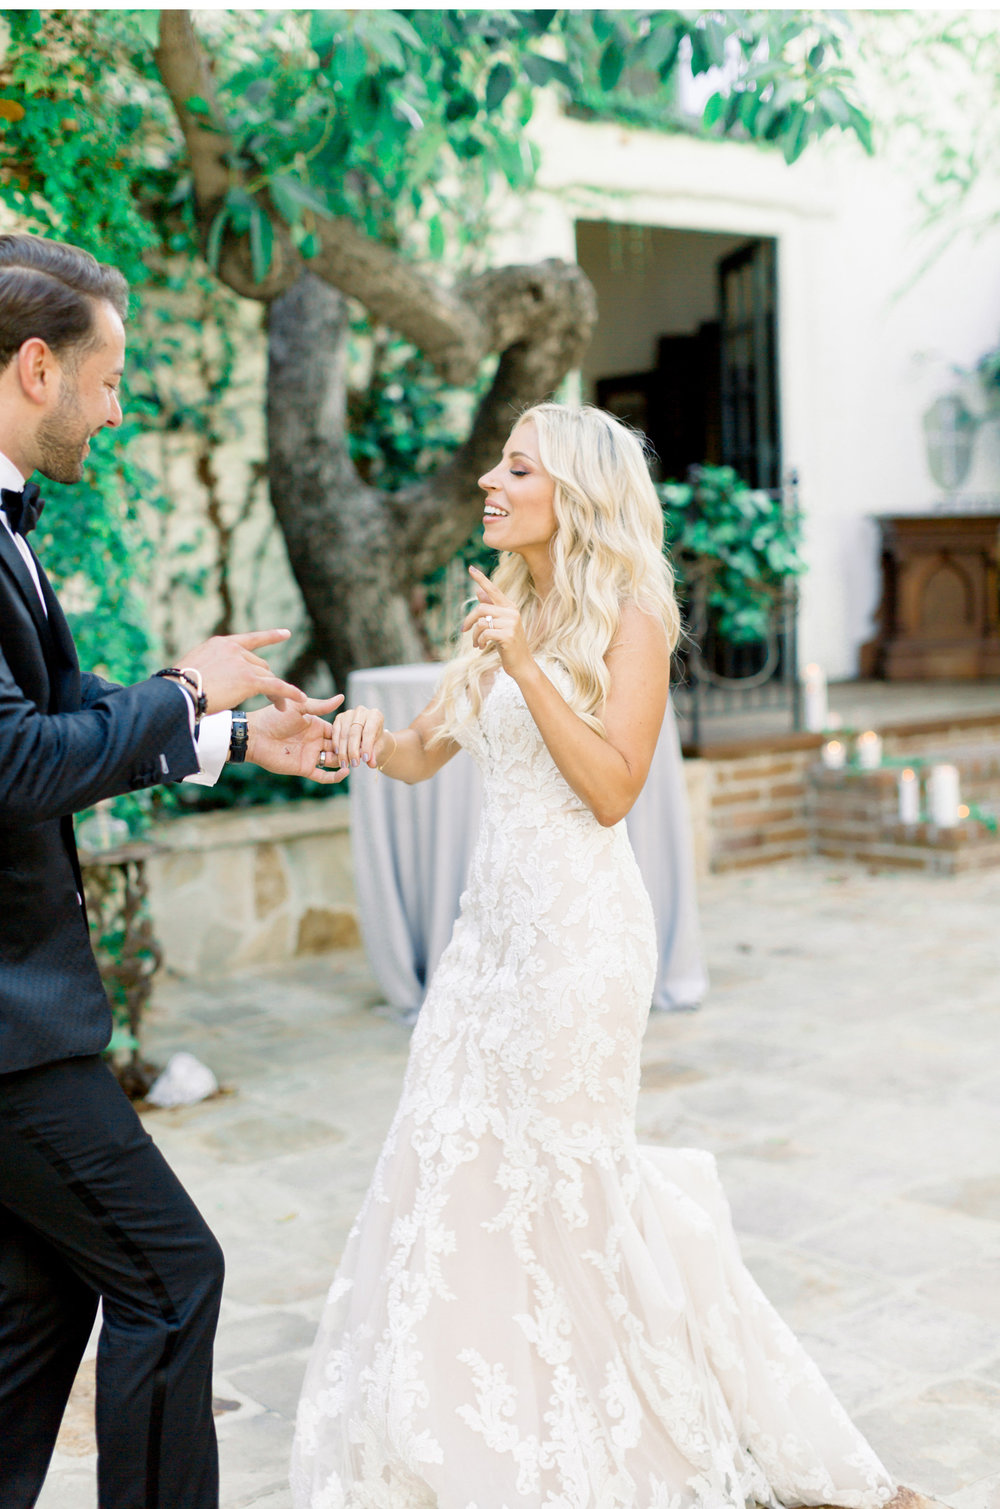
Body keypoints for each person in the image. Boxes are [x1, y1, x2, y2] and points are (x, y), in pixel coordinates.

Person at [292, 403, 907, 1509]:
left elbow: (614, 787)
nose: (488, 478)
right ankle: (488, 1424)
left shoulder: (631, 614)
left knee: (568, 1180)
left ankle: (634, 1419)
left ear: (569, 493)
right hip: (484, 946)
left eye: (514, 466)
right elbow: (428, 752)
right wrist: (353, 742)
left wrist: (526, 664)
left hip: (579, 942)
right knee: (458, 1164)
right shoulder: (504, 602)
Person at [0, 232, 342, 1509]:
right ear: (38, 367)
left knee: (36, 1311)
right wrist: (187, 683)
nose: (117, 406)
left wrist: (235, 730)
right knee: (170, 1273)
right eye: (109, 378)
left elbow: (57, 705)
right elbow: (17, 759)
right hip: (12, 1035)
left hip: (21, 1021)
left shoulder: (8, 529)